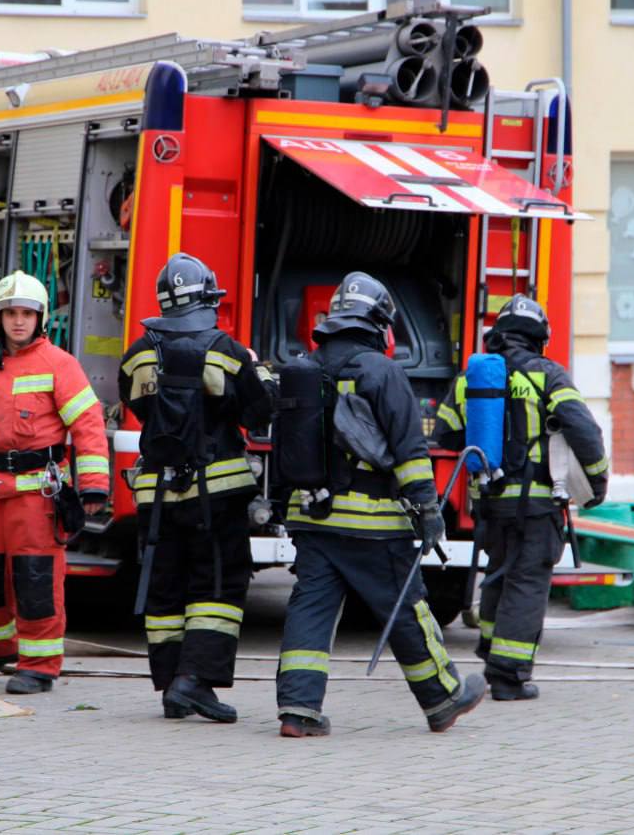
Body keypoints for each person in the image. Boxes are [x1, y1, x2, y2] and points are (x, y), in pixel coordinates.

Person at [275, 272, 487, 737]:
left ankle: (297, 710)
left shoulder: (307, 368)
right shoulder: (382, 371)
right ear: (377, 322)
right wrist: (429, 512)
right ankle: (443, 697)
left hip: (311, 518)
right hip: (373, 522)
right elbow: (410, 451)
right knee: (407, 609)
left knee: (310, 611)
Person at [119, 253, 276, 723]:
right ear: (207, 297)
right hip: (218, 492)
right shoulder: (227, 352)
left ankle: (171, 685)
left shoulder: (137, 354)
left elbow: (138, 409)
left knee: (165, 588)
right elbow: (259, 414)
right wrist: (261, 371)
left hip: (157, 494)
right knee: (216, 587)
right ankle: (196, 682)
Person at [0, 271, 110, 694]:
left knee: (36, 579)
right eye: (10, 313)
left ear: (40, 317)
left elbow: (88, 425)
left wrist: (93, 485)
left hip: (37, 492)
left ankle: (40, 665)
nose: (18, 321)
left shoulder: (59, 365)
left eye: (26, 314)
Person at [433, 294, 608, 701]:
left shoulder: (471, 379)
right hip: (536, 503)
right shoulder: (549, 375)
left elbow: (444, 436)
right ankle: (509, 676)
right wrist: (596, 485)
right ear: (538, 338)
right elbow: (585, 433)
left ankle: (493, 654)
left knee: (499, 574)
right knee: (527, 583)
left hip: (491, 503)